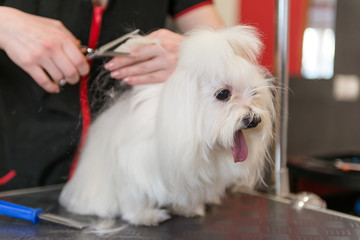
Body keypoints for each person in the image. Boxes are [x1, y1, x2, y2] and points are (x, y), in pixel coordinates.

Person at [0, 0, 225, 190]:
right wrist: (6, 24)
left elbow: (230, 52)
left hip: (124, 185)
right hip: (14, 180)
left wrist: (196, 53)